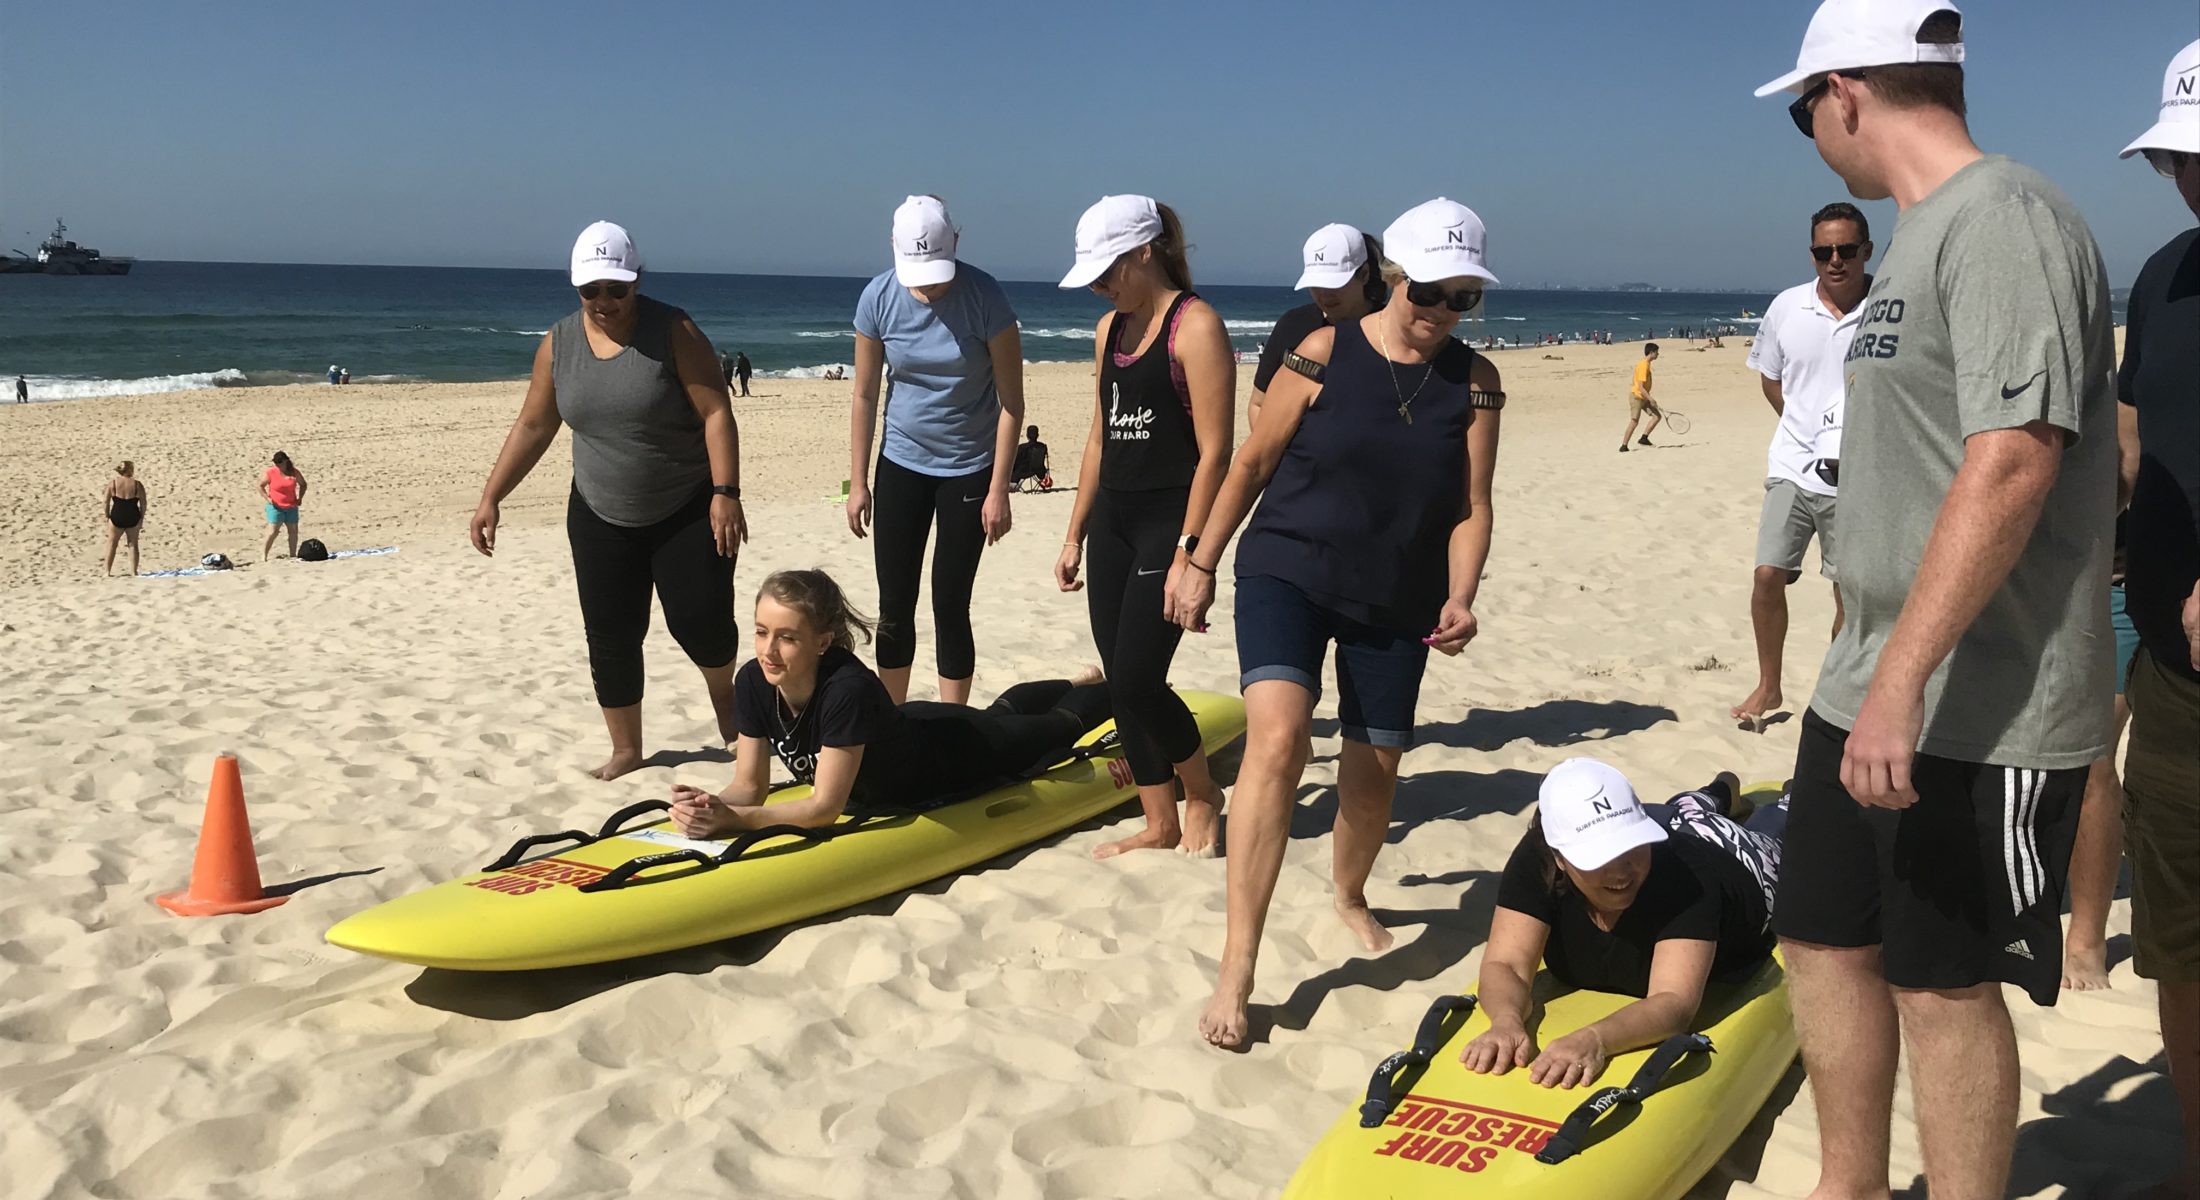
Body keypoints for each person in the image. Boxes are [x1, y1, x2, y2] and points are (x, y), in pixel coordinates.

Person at [1755, 6, 2119, 1198]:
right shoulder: (1913, 238)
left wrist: (1902, 682)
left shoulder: (2005, 217)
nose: (1808, 134)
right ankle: (1847, 1184)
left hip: (1975, 700)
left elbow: (2016, 454)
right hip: (1864, 680)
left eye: (1804, 110)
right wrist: (1870, 667)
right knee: (1817, 940)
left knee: (1938, 981)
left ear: (1846, 92)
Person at [1170, 197, 1506, 1047]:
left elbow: (1472, 503)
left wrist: (1462, 592)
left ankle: (1349, 893)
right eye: (1430, 291)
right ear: (1393, 276)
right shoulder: (1319, 352)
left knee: (1374, 772)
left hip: (1398, 594)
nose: (1442, 312)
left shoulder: (1476, 383)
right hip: (1288, 567)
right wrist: (1199, 560)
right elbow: (1252, 462)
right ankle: (1238, 967)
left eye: (1463, 298)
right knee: (1278, 740)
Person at [470, 220, 748, 780]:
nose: (604, 301)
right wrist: (491, 496)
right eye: (591, 290)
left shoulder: (675, 330)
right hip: (598, 511)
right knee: (612, 633)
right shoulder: (558, 344)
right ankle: (626, 749)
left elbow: (717, 411)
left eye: (616, 289)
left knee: (701, 623)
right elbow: (533, 424)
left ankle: (733, 719)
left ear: (637, 281)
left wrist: (725, 492)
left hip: (686, 504)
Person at [1054, 194, 1235, 860]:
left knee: (1136, 678)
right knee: (1117, 674)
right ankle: (1159, 819)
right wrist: (1075, 532)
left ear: (1143, 252)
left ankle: (1203, 794)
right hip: (1115, 520)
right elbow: (1101, 436)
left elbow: (1217, 450)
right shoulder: (1110, 331)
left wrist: (1191, 552)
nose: (1100, 288)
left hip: (1170, 521)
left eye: (1107, 272)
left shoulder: (1197, 327)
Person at [669, 570, 1113, 836]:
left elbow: (824, 808)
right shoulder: (754, 680)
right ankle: (1075, 678)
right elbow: (749, 787)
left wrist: (739, 821)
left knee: (1056, 726)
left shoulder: (846, 689)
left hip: (952, 756)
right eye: (762, 631)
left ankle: (1124, 689)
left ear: (822, 642)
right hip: (907, 723)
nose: (768, 650)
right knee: (998, 712)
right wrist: (712, 806)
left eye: (787, 637)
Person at [1463, 759, 1786, 1088]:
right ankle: (1718, 792)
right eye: (1598, 855)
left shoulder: (1689, 880)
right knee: (1684, 815)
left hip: (1743, 863)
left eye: (1631, 844)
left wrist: (1595, 1038)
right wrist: (1506, 1021)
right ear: (1559, 857)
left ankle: (1762, 801)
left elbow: (1673, 1001)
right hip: (1673, 830)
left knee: (1774, 830)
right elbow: (1507, 963)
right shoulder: (1537, 857)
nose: (1620, 871)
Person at [2113, 37, 2200, 1197]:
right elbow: (2132, 446)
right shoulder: (2163, 273)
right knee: (2180, 945)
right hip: (2174, 688)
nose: (2190, 174)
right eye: (2178, 155)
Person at [846, 195, 1025, 706]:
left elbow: (1011, 402)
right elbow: (863, 393)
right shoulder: (877, 298)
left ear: (957, 244)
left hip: (970, 467)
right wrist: (858, 482)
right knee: (895, 604)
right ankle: (891, 719)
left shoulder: (986, 298)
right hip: (901, 460)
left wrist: (999, 490)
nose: (929, 281)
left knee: (950, 603)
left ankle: (953, 724)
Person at [1731, 203, 1870, 729]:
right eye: (1823, 251)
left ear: (1866, 251)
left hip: (1859, 474)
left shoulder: (1887, 307)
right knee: (1768, 574)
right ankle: (1769, 686)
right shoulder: (1787, 307)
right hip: (1792, 462)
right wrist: (1801, 425)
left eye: (1846, 250)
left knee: (1846, 590)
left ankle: (1833, 693)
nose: (1835, 261)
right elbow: (1770, 376)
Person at [1248, 224, 1385, 429]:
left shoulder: (1389, 328)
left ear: (1364, 274)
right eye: (1316, 284)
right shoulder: (1293, 325)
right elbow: (1259, 403)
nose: (1324, 294)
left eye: (1334, 283)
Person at [259, 450, 307, 560]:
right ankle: (264, 555)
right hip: (275, 507)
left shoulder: (294, 472)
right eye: (276, 462)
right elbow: (260, 486)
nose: (277, 465)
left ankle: (293, 555)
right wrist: (267, 498)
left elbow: (303, 484)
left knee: (293, 531)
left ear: (285, 461)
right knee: (273, 531)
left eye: (279, 462)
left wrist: (300, 498)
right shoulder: (271, 472)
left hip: (291, 506)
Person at [102, 461, 146, 576]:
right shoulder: (137, 484)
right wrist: (141, 517)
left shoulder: (113, 484)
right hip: (133, 515)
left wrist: (107, 516)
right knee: (133, 544)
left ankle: (107, 571)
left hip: (117, 515)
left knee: (112, 544)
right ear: (130, 470)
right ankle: (133, 571)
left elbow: (106, 502)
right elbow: (143, 503)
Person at [1619, 343, 1661, 450]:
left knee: (1657, 416)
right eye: (1656, 352)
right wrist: (1651, 399)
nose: (1658, 354)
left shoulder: (1646, 364)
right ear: (1651, 353)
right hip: (1636, 397)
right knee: (1634, 421)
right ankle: (1624, 445)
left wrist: (1648, 398)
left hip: (1644, 397)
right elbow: (1641, 387)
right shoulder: (1643, 365)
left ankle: (1644, 438)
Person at [1012, 424, 1050, 492]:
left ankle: (1014, 485)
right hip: (1040, 471)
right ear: (1037, 435)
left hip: (1025, 471)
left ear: (1027, 435)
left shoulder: (1022, 447)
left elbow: (1016, 461)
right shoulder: (1043, 447)